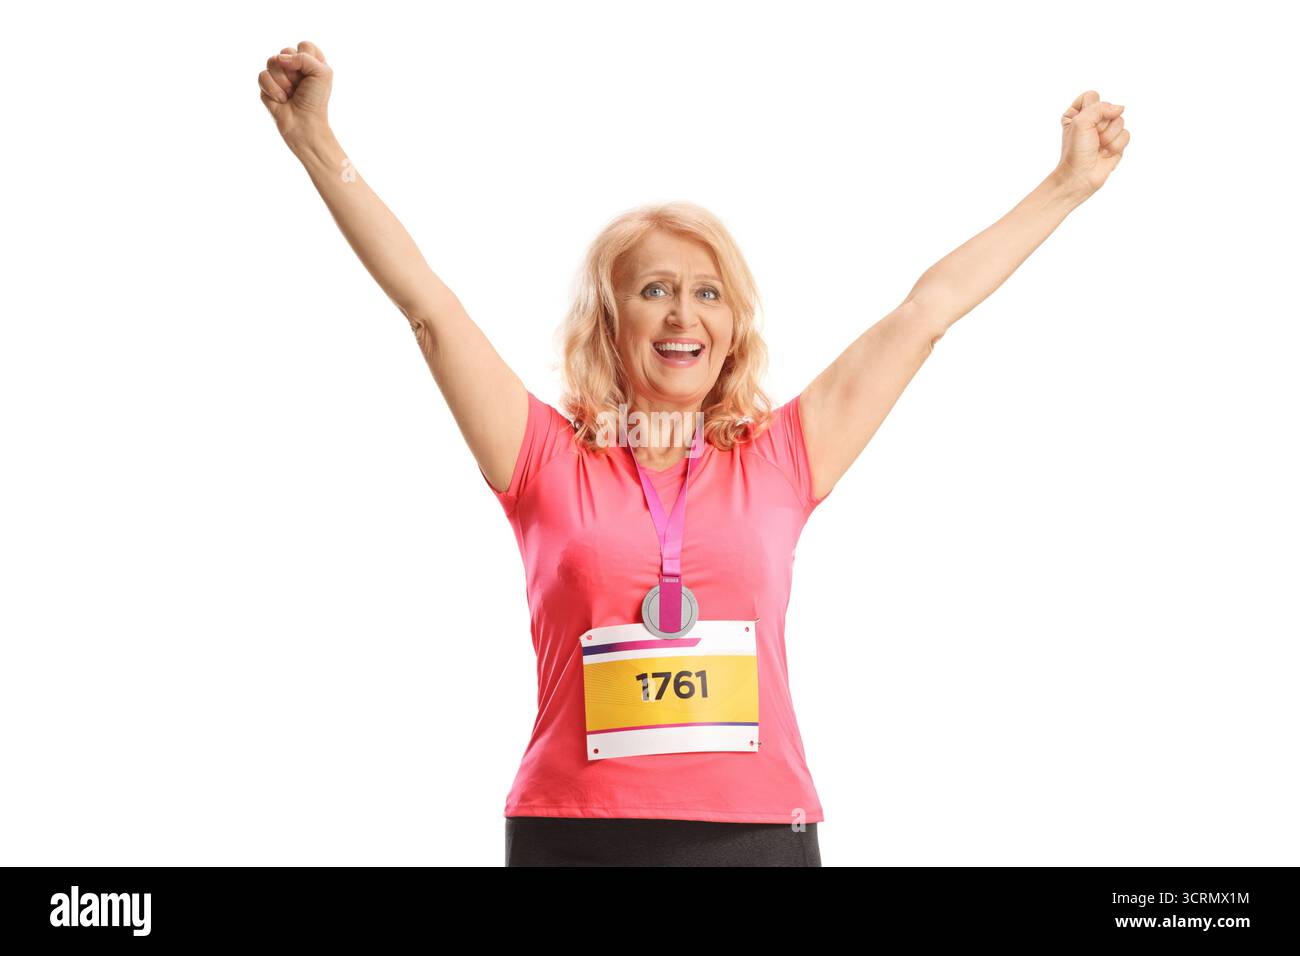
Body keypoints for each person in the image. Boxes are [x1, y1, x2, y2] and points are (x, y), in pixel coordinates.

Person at [258, 40, 1131, 867]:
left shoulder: (784, 455)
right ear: (612, 320)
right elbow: (429, 309)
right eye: (656, 290)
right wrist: (317, 144)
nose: (684, 315)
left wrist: (1066, 186)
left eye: (707, 293)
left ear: (730, 326)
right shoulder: (543, 460)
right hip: (573, 833)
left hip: (752, 835)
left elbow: (926, 311)